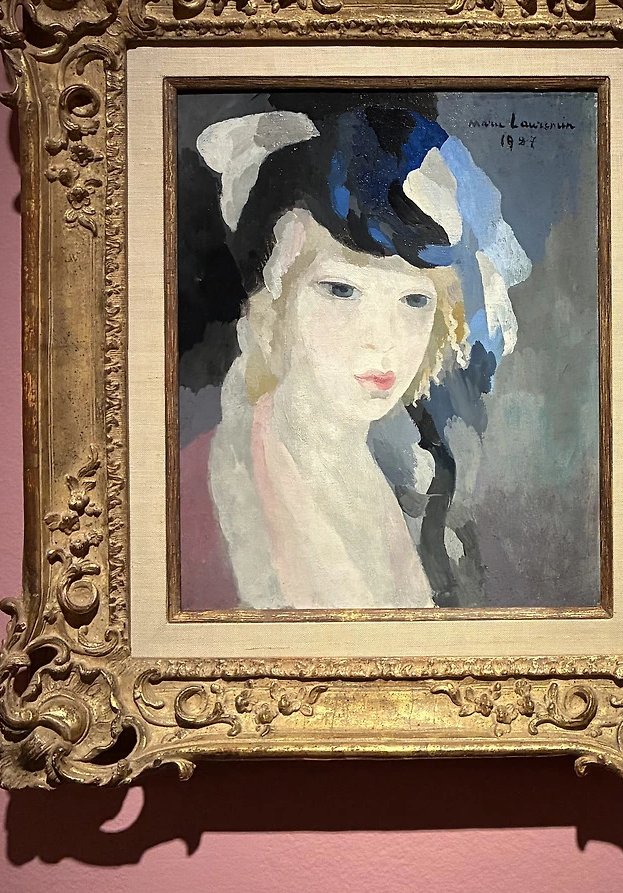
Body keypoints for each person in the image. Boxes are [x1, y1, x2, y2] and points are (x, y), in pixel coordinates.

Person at [177, 96, 531, 611]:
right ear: (272, 307)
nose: (381, 339)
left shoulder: (418, 483)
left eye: (414, 300)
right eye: (341, 290)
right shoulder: (194, 498)